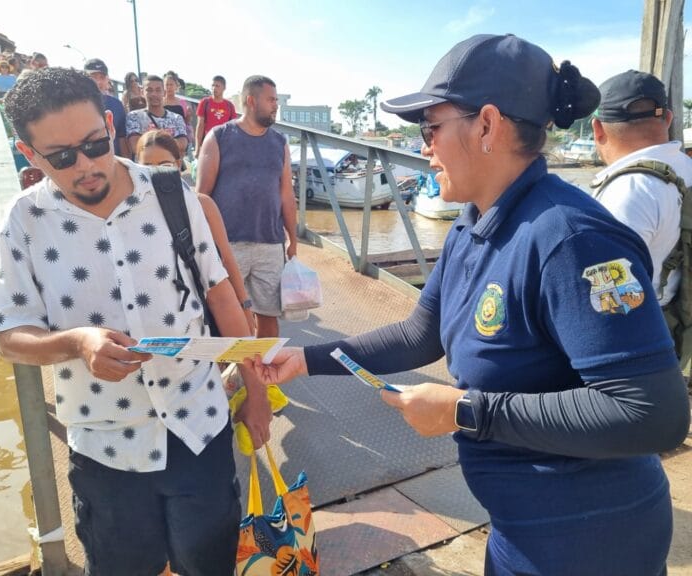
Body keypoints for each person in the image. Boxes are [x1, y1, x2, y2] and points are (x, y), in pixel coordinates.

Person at [250, 34, 690, 576]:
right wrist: (308, 359)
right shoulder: (473, 221)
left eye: (430, 127)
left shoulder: (571, 238)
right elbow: (420, 335)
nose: (423, 146)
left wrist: (465, 411)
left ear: (486, 126)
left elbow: (653, 414)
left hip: (589, 538)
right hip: (516, 528)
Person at [0, 67, 271, 576]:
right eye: (61, 157)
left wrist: (254, 392)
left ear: (108, 123)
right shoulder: (23, 223)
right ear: (29, 155)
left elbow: (221, 294)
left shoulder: (170, 192)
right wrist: (76, 343)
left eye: (95, 144)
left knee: (209, 565)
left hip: (199, 429)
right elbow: (10, 334)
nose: (87, 166)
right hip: (106, 450)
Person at [196, 75, 297, 338]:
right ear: (251, 101)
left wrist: (293, 239)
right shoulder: (218, 137)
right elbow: (201, 197)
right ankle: (229, 374)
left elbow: (286, 194)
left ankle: (266, 374)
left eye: (276, 99)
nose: (276, 105)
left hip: (270, 243)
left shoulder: (280, 143)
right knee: (227, 316)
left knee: (269, 316)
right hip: (229, 244)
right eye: (271, 99)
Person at [134, 129, 257, 334]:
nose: (155, 173)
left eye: (164, 165)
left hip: (200, 315)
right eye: (146, 166)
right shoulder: (127, 214)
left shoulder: (201, 204)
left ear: (178, 163)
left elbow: (226, 258)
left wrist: (244, 305)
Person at [591, 70, 692, 307]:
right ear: (667, 118)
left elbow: (610, 302)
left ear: (597, 129)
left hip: (655, 334)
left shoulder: (627, 192)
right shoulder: (687, 168)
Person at [126, 75, 188, 159]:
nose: (154, 94)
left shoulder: (176, 118)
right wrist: (170, 143)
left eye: (158, 90)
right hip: (144, 170)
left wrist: (148, 142)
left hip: (170, 169)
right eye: (149, 90)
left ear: (164, 93)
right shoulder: (134, 116)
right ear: (142, 92)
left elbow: (183, 144)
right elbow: (135, 146)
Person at [83, 58, 129, 158]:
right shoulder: (76, 106)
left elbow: (122, 138)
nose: (98, 82)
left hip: (114, 162)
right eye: (93, 77)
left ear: (107, 79)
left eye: (102, 77)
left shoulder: (117, 104)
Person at [194, 75, 237, 158]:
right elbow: (200, 126)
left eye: (217, 86)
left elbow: (234, 128)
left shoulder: (229, 105)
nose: (214, 88)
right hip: (207, 142)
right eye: (212, 85)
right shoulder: (205, 102)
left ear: (224, 88)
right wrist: (197, 148)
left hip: (224, 145)